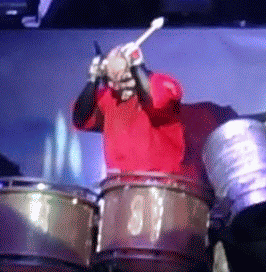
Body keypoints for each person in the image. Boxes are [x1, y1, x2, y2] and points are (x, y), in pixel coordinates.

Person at [71, 44, 190, 179]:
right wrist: (93, 79)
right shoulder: (111, 96)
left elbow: (153, 100)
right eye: (111, 81)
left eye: (124, 79)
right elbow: (80, 119)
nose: (117, 87)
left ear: (135, 71)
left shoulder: (160, 82)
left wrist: (136, 64)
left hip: (163, 183)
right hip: (120, 185)